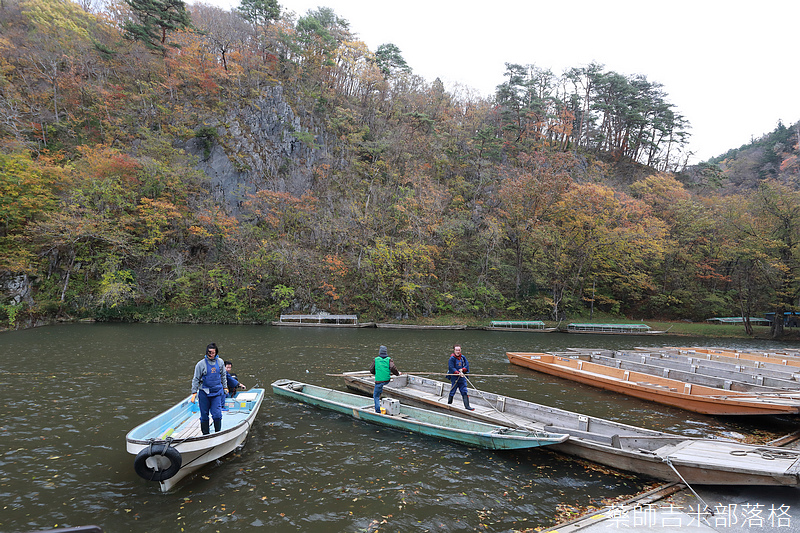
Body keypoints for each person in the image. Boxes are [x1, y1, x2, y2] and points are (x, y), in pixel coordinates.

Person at [190, 342, 229, 434]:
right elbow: (196, 378)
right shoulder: (200, 364)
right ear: (206, 352)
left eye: (213, 352)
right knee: (204, 416)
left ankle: (217, 433)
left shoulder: (220, 362)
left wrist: (225, 387)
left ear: (216, 352)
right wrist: (194, 392)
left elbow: (223, 375)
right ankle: (205, 434)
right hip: (204, 393)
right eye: (209, 352)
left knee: (217, 415)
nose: (211, 354)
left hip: (216, 392)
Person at [369, 345, 400, 413]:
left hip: (379, 381)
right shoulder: (389, 359)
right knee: (380, 388)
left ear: (379, 352)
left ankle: (378, 411)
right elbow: (392, 368)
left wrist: (375, 373)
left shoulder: (376, 359)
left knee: (376, 396)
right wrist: (397, 374)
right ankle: (381, 394)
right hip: (386, 380)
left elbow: (371, 370)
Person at [447, 344, 474, 410]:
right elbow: (451, 367)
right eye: (456, 350)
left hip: (462, 377)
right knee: (453, 390)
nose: (458, 351)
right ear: (454, 350)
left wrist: (463, 370)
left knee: (464, 391)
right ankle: (449, 404)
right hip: (455, 378)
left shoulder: (463, 358)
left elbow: (467, 365)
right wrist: (458, 373)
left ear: (460, 350)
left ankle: (467, 406)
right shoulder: (452, 359)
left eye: (459, 350)